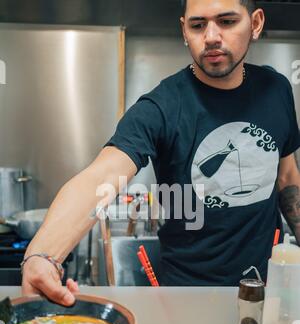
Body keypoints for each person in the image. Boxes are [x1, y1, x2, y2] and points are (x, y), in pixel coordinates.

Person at [22, 0, 300, 304]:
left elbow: (286, 177)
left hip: (268, 290)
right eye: (197, 25)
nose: (211, 36)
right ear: (184, 30)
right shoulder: (162, 107)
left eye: (227, 21)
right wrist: (42, 256)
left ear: (256, 23)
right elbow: (101, 176)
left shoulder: (276, 90)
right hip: (188, 298)